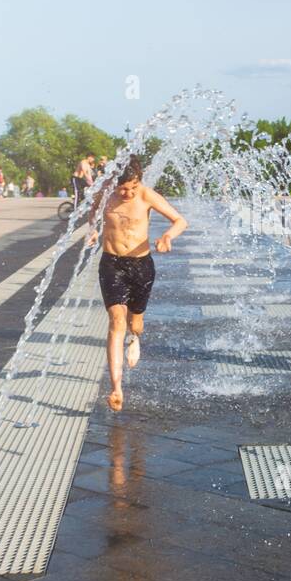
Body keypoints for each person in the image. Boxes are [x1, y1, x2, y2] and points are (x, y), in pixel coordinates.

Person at [88, 156, 187, 411]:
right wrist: (93, 231)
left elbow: (180, 221)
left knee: (135, 324)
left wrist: (167, 236)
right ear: (113, 181)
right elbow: (93, 215)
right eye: (123, 188)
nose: (128, 193)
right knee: (116, 321)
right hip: (111, 265)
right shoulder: (105, 194)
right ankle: (116, 388)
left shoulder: (146, 196)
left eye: (132, 187)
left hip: (141, 266)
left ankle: (135, 338)